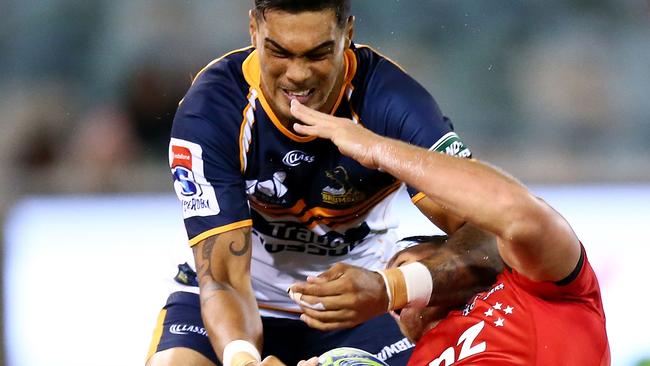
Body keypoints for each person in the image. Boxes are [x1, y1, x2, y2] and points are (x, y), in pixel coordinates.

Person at [146, 1, 502, 365]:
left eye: (318, 54)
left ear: (347, 34)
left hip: (360, 306)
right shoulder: (211, 110)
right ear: (253, 30)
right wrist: (243, 360)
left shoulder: (394, 103)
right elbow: (222, 280)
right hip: (235, 300)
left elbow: (496, 234)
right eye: (278, 51)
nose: (297, 75)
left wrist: (390, 287)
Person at [286, 99, 611, 365]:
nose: (393, 309)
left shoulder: (537, 285)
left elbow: (516, 213)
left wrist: (377, 150)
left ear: (450, 247)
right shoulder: (416, 359)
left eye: (402, 264)